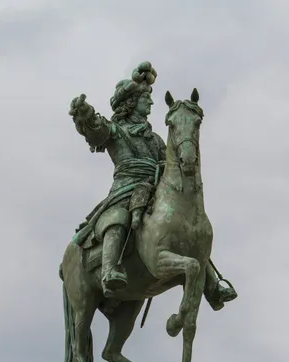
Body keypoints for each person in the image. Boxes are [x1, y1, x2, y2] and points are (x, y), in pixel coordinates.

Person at [69, 61, 236, 308]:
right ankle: (109, 270)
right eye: (145, 98)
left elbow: (166, 163)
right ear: (132, 102)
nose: (151, 102)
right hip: (126, 187)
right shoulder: (116, 130)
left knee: (187, 225)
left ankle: (211, 284)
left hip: (155, 187)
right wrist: (85, 114)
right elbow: (96, 129)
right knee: (117, 217)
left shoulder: (156, 139)